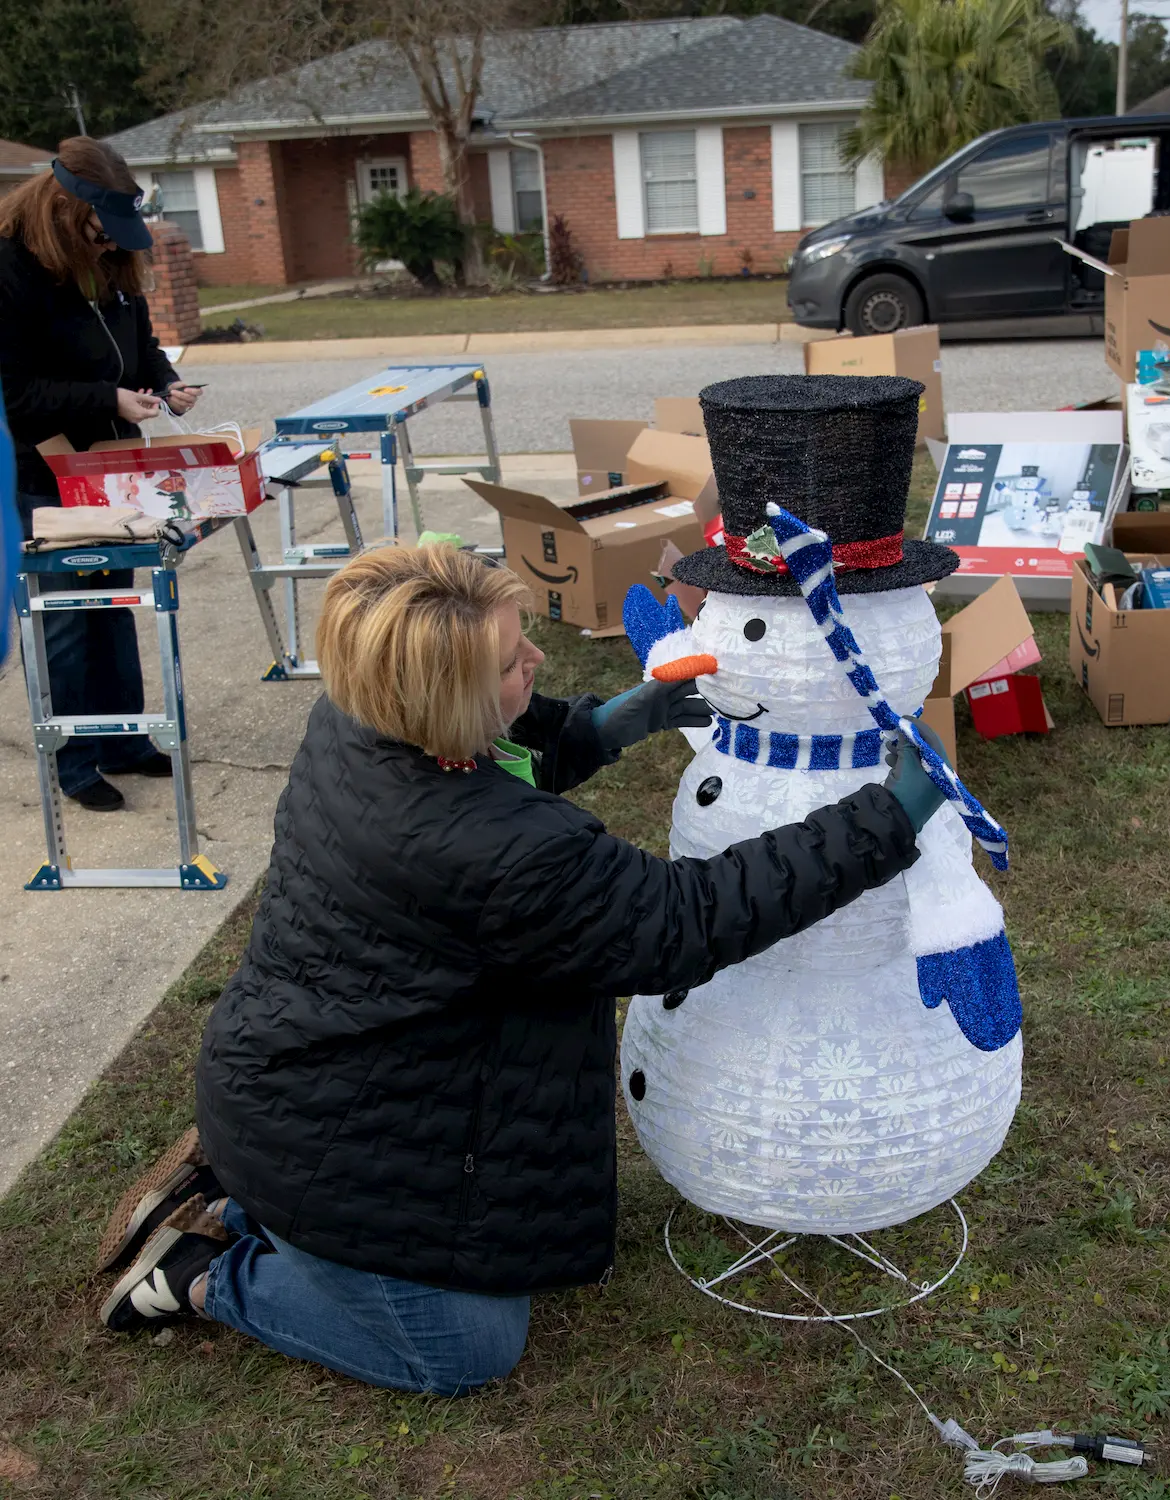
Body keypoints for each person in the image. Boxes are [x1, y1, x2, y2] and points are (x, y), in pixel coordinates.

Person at [96, 544, 948, 1394]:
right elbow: (684, 920)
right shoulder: (500, 851)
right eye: (510, 663)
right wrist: (886, 819)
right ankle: (208, 1274)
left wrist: (597, 728)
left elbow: (490, 752)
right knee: (464, 1348)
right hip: (323, 1125)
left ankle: (250, 1199)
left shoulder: (356, 721)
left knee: (426, 1254)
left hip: (306, 1081)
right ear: (443, 698)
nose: (537, 659)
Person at [0, 136, 204, 811]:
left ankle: (124, 739)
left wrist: (164, 383)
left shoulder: (109, 267)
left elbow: (139, 346)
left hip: (111, 474)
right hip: (47, 476)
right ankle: (76, 759)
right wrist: (106, 399)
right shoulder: (12, 272)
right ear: (64, 211)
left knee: (115, 608)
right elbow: (18, 395)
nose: (110, 246)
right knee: (66, 618)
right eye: (99, 230)